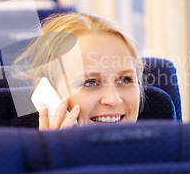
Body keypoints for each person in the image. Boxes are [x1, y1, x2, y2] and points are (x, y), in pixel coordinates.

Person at [13, 12, 144, 130]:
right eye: (90, 82)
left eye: (125, 80)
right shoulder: (18, 154)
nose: (114, 100)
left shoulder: (160, 149)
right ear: (47, 93)